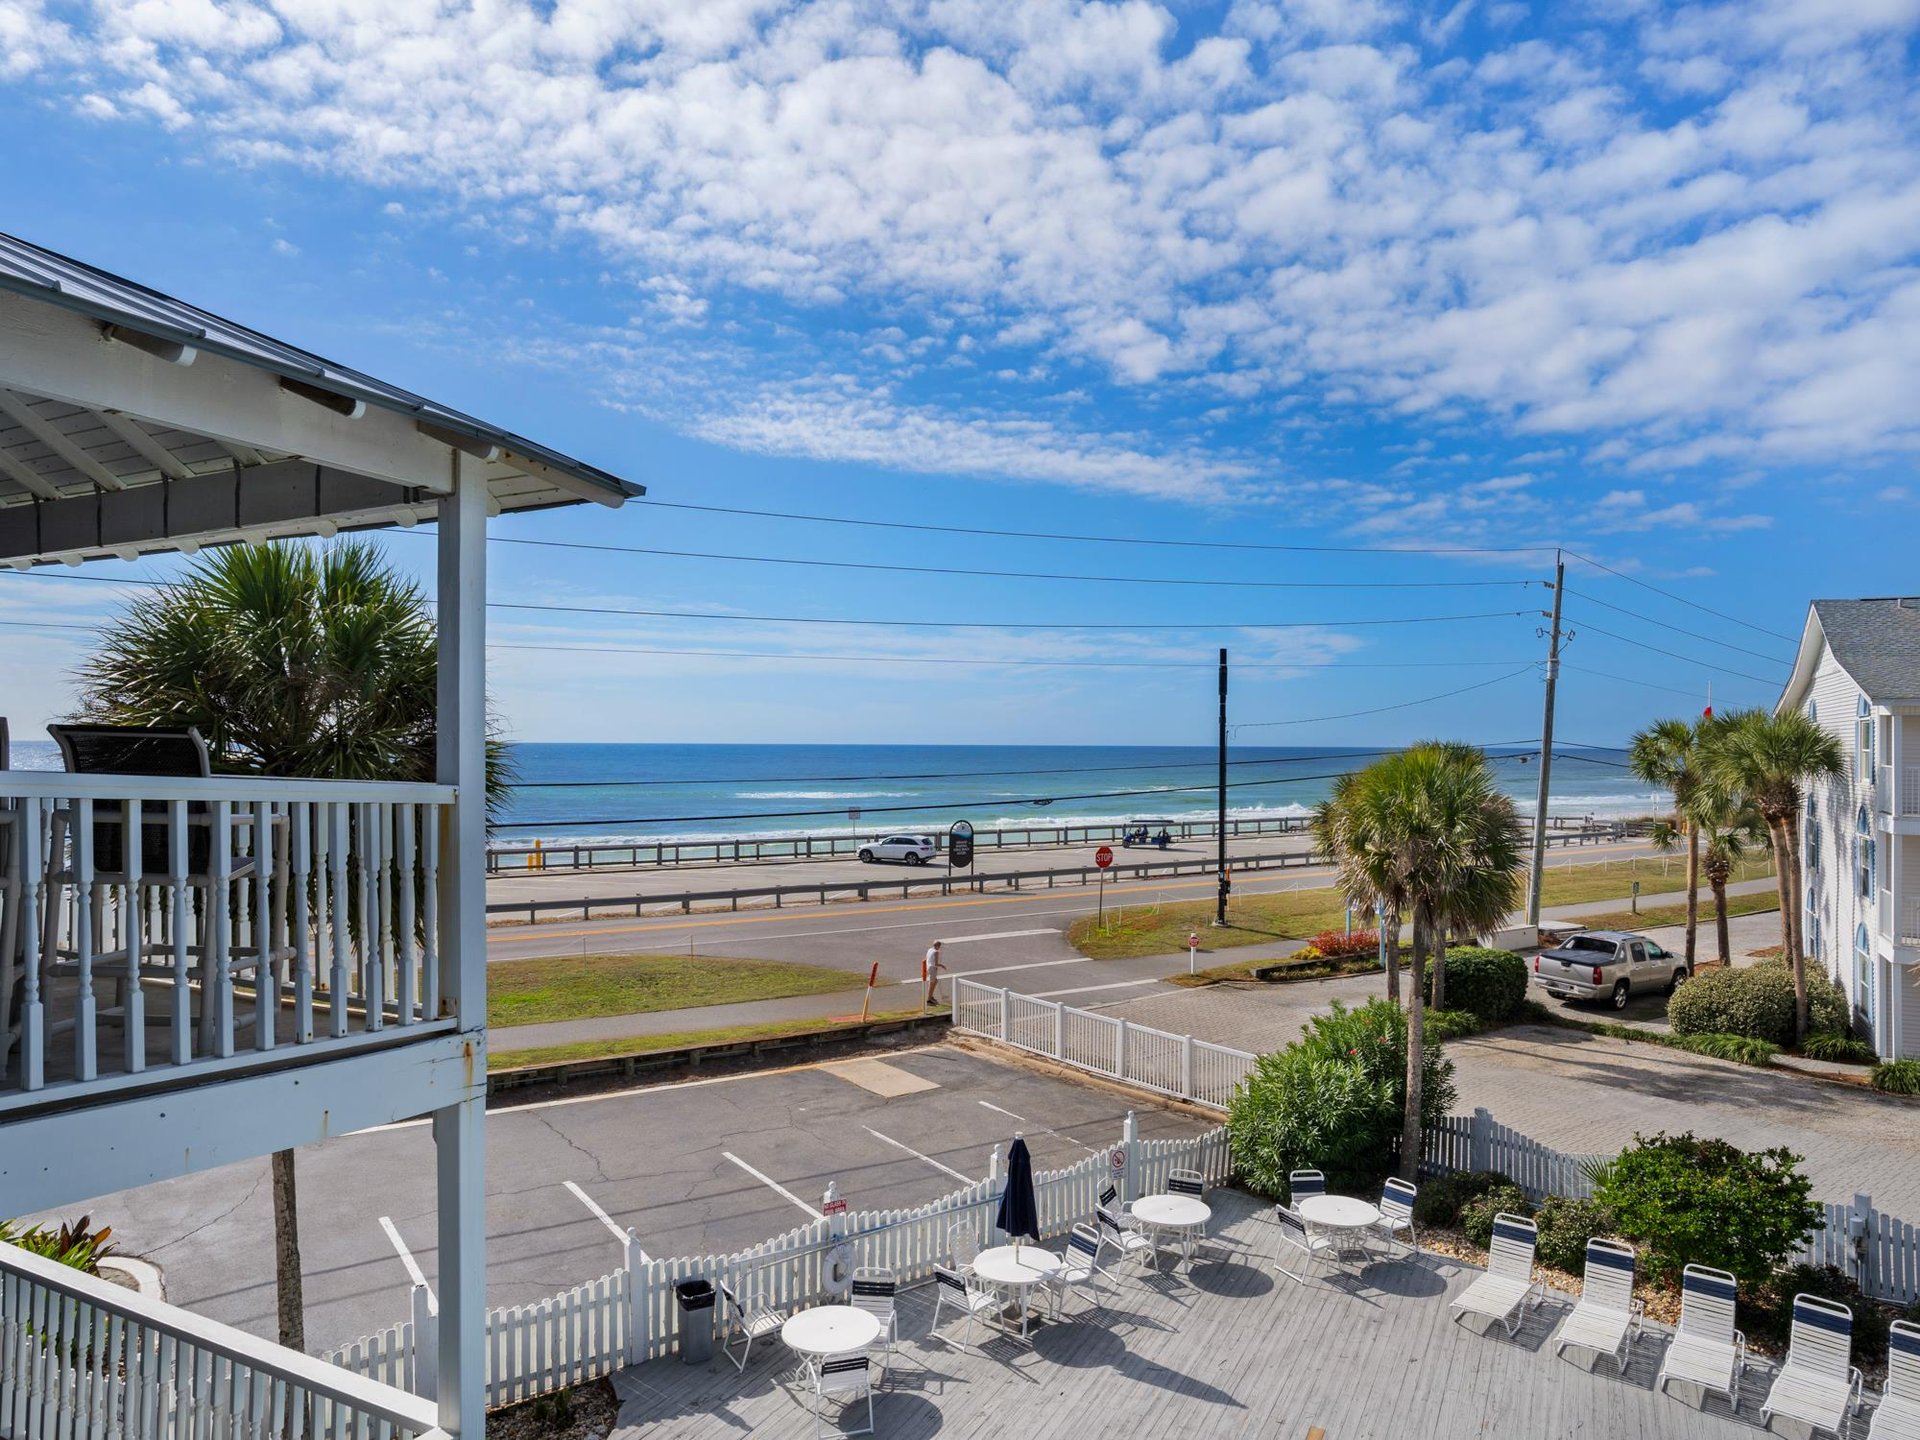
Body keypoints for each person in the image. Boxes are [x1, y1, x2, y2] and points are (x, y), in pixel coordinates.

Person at [924, 940, 944, 1006]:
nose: (939, 947)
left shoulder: (930, 949)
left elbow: (927, 958)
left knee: (935, 981)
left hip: (929, 967)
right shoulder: (936, 952)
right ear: (937, 946)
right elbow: (936, 963)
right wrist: (942, 966)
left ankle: (931, 996)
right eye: (939, 946)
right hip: (932, 968)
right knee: (932, 983)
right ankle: (929, 1000)